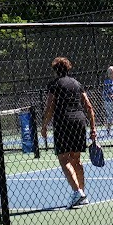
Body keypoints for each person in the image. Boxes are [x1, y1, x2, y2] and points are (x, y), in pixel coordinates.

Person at [41, 57, 97, 208]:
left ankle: (78, 192)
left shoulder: (54, 85)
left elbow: (49, 107)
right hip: (79, 121)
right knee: (76, 159)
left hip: (63, 123)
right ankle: (82, 194)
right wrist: (93, 128)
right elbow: (89, 107)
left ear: (55, 70)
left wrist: (44, 126)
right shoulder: (77, 83)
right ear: (68, 68)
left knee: (64, 159)